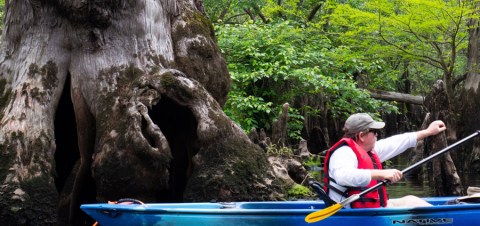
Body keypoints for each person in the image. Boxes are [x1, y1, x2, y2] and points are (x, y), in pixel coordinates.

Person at [323, 113, 446, 208]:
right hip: (351, 213)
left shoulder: (367, 150)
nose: (377, 135)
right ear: (361, 136)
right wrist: (381, 173)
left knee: (412, 200)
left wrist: (428, 132)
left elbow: (395, 142)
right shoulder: (343, 153)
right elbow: (343, 176)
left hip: (371, 210)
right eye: (375, 132)